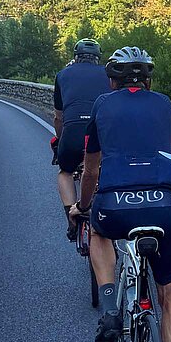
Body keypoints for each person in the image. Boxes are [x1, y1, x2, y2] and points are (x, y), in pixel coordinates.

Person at [69, 46, 171, 342]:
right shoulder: (165, 105)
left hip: (114, 205)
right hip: (163, 205)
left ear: (112, 80)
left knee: (99, 234)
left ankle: (109, 308)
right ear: (148, 80)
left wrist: (82, 208)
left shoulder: (102, 106)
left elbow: (90, 171)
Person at [54, 39, 111, 239]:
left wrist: (60, 140)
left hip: (72, 132)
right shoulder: (108, 73)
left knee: (65, 171)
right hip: (100, 132)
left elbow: (59, 117)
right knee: (102, 168)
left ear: (75, 57)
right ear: (98, 58)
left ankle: (71, 215)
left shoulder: (62, 75)